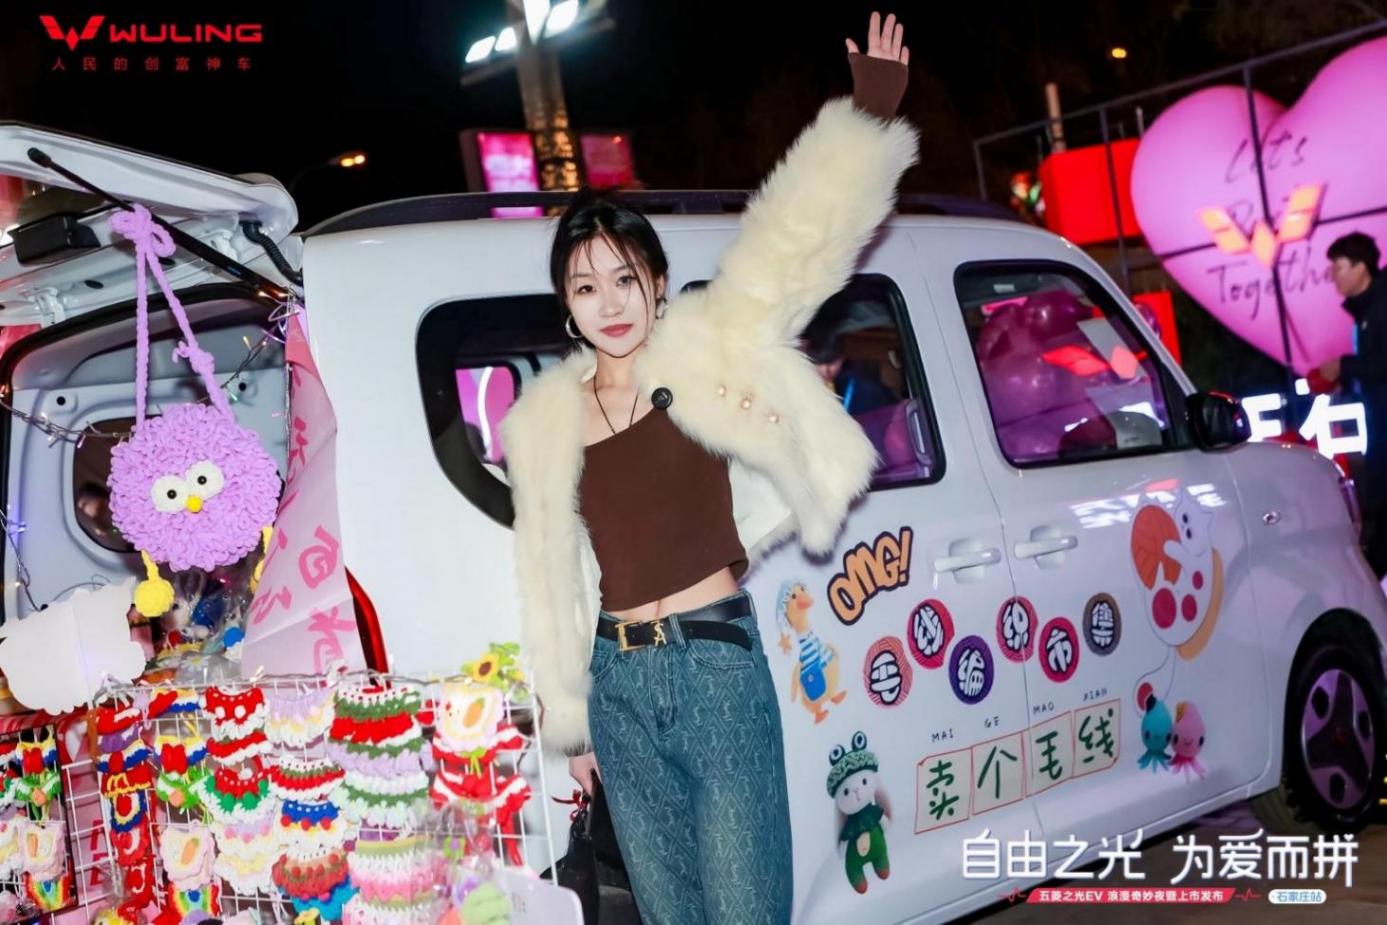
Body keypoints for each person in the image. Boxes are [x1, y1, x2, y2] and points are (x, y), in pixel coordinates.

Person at [499, 12, 916, 924]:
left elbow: (791, 251)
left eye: (624, 278)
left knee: (744, 907)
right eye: (585, 285)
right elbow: (551, 580)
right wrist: (574, 722)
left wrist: (868, 117)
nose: (609, 301)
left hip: (715, 666)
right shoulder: (543, 422)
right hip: (617, 686)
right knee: (667, 912)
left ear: (656, 281)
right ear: (566, 305)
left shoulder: (705, 349)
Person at [1318, 231, 1387, 576]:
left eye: (1339, 267)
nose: (1333, 276)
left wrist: (1343, 367)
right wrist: (1345, 378)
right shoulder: (1367, 310)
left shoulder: (1381, 306)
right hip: (1380, 422)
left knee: (1380, 504)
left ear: (1360, 267)